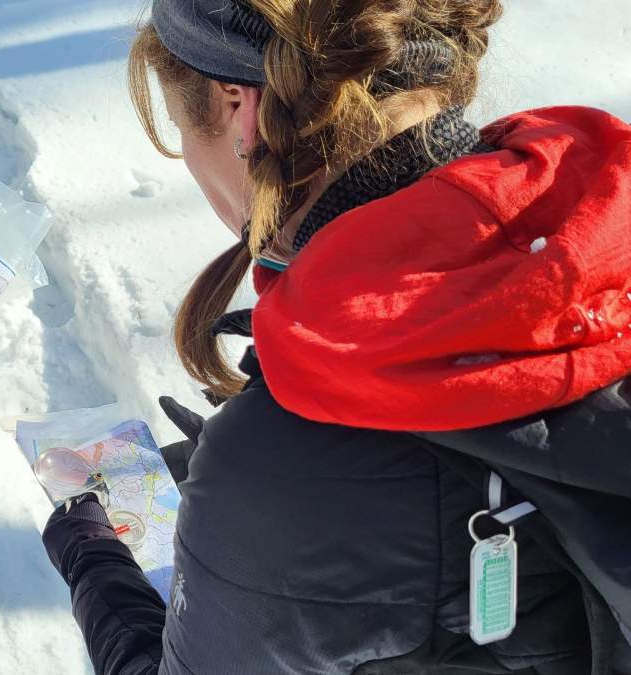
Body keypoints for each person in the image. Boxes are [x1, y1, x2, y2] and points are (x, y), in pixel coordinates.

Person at [42, 0, 631, 673]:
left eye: (180, 127)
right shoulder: (598, 217)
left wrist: (95, 558)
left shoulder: (283, 477)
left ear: (239, 108)